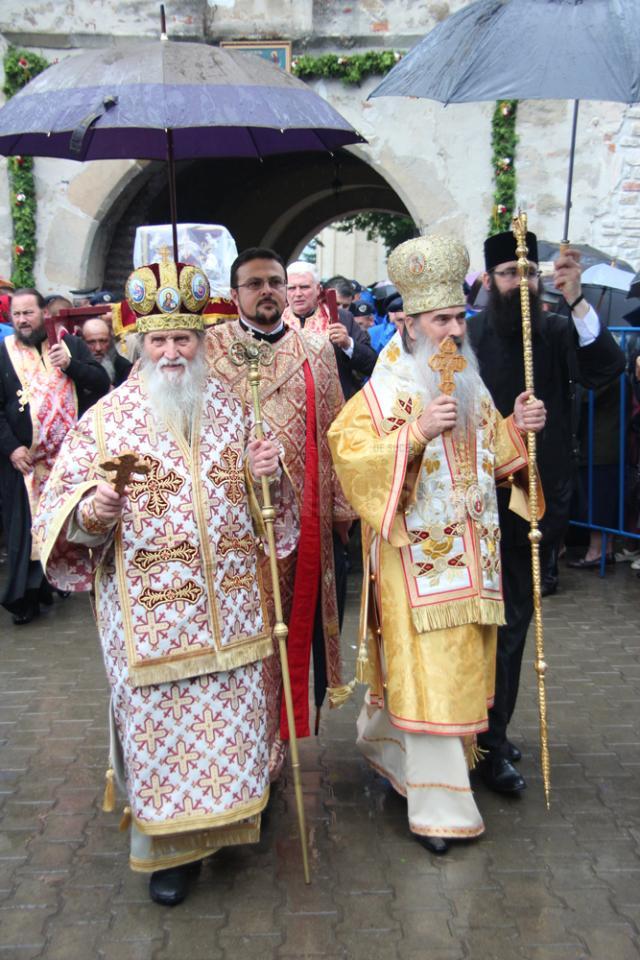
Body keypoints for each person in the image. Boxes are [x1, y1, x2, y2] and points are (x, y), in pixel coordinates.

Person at [33, 259, 291, 906]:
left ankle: (228, 825)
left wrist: (270, 473)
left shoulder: (234, 409)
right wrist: (94, 511)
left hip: (230, 610)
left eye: (183, 339)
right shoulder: (105, 422)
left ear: (201, 345)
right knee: (164, 736)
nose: (172, 351)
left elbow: (270, 513)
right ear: (138, 347)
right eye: (159, 341)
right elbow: (58, 515)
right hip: (151, 620)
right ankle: (169, 856)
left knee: (229, 726)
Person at [328, 234, 546, 854]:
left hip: (472, 564)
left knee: (462, 674)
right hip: (412, 564)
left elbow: (492, 460)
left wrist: (516, 430)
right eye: (441, 319)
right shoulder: (381, 391)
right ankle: (438, 808)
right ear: (411, 322)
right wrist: (415, 435)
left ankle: (399, 757)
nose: (454, 329)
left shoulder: (469, 382)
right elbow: (352, 460)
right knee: (430, 676)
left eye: (458, 317)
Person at [469, 230, 625, 792]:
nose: (522, 283)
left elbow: (606, 369)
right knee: (476, 621)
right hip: (475, 496)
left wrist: (578, 298)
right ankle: (464, 729)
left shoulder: (557, 328)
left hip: (534, 497)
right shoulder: (467, 333)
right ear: (490, 281)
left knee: (514, 621)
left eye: (529, 272)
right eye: (510, 274)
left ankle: (494, 737)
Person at [207, 247, 355, 780]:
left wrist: (340, 509)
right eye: (254, 284)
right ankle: (233, 742)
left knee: (283, 633)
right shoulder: (209, 347)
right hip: (230, 523)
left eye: (274, 281)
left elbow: (337, 428)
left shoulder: (315, 348)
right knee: (238, 637)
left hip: (298, 522)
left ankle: (271, 741)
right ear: (235, 294)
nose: (267, 291)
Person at [0, 288, 110, 624]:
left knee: (59, 528)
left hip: (64, 462)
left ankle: (52, 583)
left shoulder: (69, 344)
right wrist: (11, 447)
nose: (22, 320)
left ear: (43, 313)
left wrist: (72, 365)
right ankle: (23, 598)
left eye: (28, 313)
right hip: (23, 462)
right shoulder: (4, 352)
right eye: (16, 315)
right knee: (23, 532)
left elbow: (100, 381)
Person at [283, 261, 377, 399]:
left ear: (318, 289)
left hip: (336, 411)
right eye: (291, 288)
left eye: (304, 287)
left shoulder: (342, 318)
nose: (298, 294)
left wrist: (347, 344)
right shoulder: (275, 321)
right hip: (291, 411)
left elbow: (372, 364)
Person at [82, 316, 133, 387]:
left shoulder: (124, 368)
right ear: (83, 342)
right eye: (91, 342)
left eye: (103, 341)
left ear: (110, 341)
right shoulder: (77, 367)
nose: (98, 348)